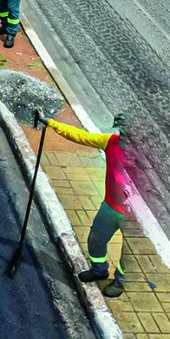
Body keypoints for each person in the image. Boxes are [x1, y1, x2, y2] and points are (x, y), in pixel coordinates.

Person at [47, 113, 131, 298]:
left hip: (136, 219)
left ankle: (119, 282)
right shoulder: (110, 142)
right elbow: (81, 136)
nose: (124, 138)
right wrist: (52, 124)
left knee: (129, 256)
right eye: (123, 133)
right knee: (96, 239)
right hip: (110, 208)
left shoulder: (148, 158)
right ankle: (99, 269)